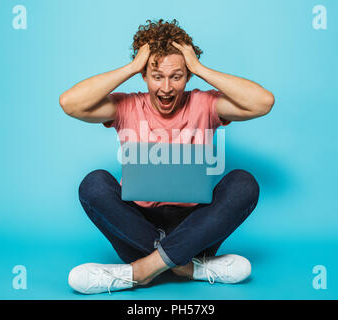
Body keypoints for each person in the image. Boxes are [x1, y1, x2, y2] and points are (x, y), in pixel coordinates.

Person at [59, 19, 274, 294]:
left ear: (187, 76)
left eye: (177, 76)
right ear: (145, 76)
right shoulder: (128, 105)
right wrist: (132, 67)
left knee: (244, 183)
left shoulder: (205, 103)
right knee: (94, 184)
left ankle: (141, 271)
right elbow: (69, 103)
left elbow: (263, 102)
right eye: (157, 76)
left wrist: (199, 68)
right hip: (137, 230)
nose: (167, 88)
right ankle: (188, 266)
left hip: (196, 228)